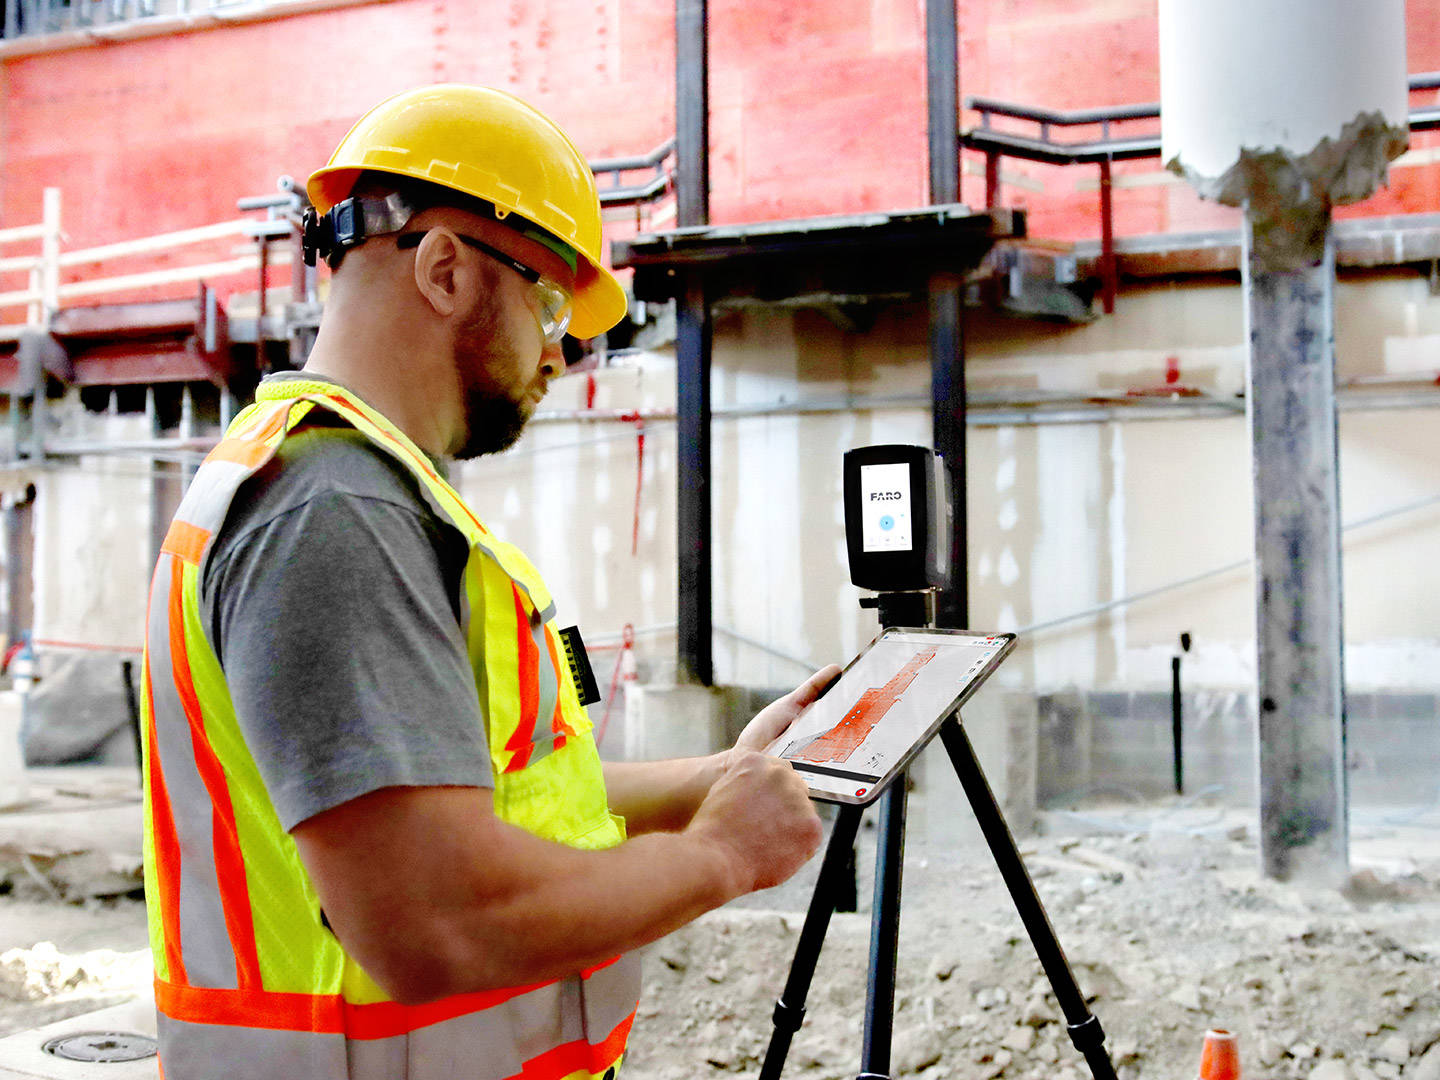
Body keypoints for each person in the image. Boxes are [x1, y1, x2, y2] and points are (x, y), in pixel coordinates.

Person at [139, 84, 840, 1080]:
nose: (562, 351)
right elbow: (435, 919)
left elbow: (496, 801)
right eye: (550, 302)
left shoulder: (368, 494)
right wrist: (720, 856)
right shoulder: (333, 512)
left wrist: (718, 778)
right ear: (444, 270)